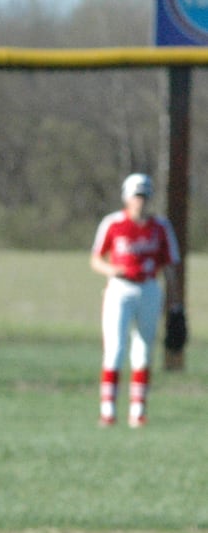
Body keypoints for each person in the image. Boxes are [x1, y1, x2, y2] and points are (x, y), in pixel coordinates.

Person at [89, 172, 182, 427]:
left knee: (143, 350)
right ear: (126, 196)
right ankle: (108, 411)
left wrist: (175, 302)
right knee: (115, 349)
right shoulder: (114, 223)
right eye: (135, 195)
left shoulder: (160, 227)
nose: (140, 200)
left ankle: (137, 411)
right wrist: (111, 270)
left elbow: (171, 265)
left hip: (149, 288)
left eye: (143, 195)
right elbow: (96, 258)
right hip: (120, 289)